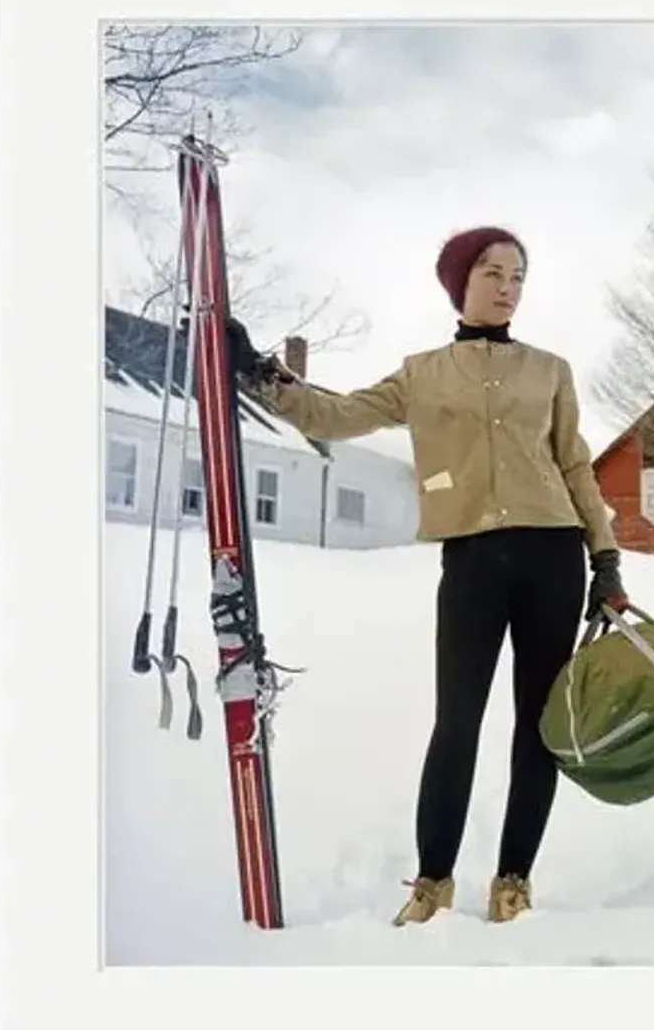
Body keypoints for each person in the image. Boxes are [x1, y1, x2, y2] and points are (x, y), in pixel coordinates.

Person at [225, 226, 630, 927]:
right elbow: (339, 413)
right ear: (459, 281)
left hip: (552, 557)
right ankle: (433, 881)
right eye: (493, 272)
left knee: (539, 727)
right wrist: (262, 375)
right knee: (457, 721)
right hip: (471, 561)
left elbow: (574, 465)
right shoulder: (421, 372)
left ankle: (513, 881)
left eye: (518, 277)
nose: (508, 287)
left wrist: (607, 558)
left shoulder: (550, 370)